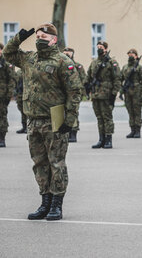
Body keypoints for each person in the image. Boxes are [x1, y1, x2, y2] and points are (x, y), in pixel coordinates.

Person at [3, 24, 82, 220]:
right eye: (37, 36)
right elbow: (7, 53)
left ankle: (56, 204)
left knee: (56, 163)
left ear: (54, 39)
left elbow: (74, 92)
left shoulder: (63, 61)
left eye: (44, 36)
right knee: (39, 163)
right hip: (33, 120)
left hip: (54, 118)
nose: (39, 38)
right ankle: (44, 201)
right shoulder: (29, 58)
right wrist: (18, 38)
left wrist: (69, 120)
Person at [86, 41, 121, 149]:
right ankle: (101, 139)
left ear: (106, 49)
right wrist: (86, 87)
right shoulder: (94, 62)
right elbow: (89, 76)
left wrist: (114, 94)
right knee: (99, 118)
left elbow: (117, 79)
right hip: (96, 94)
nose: (99, 49)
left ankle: (108, 139)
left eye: (101, 47)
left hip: (106, 94)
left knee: (107, 118)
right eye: (98, 47)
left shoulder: (112, 62)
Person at [121, 49, 142, 139]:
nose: (130, 56)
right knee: (130, 111)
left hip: (136, 91)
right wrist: (121, 91)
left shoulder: (140, 67)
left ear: (136, 56)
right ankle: (132, 130)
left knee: (137, 111)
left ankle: (137, 130)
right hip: (127, 91)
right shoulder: (125, 67)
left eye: (132, 54)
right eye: (129, 54)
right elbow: (120, 79)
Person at [63, 47, 87, 143]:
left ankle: (73, 133)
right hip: (63, 93)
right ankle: (65, 133)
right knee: (63, 114)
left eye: (69, 52)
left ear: (73, 54)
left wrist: (78, 89)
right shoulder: (61, 65)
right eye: (65, 52)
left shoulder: (77, 66)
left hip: (74, 93)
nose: (67, 54)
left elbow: (84, 79)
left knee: (73, 112)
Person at [0, 43, 16, 147]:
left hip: (2, 95)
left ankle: (1, 138)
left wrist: (8, 95)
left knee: (2, 116)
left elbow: (12, 80)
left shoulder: (6, 63)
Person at [15, 69, 27, 134]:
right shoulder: (19, 71)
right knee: (22, 111)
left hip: (27, 94)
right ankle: (24, 127)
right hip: (20, 94)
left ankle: (27, 127)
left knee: (27, 111)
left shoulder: (29, 69)